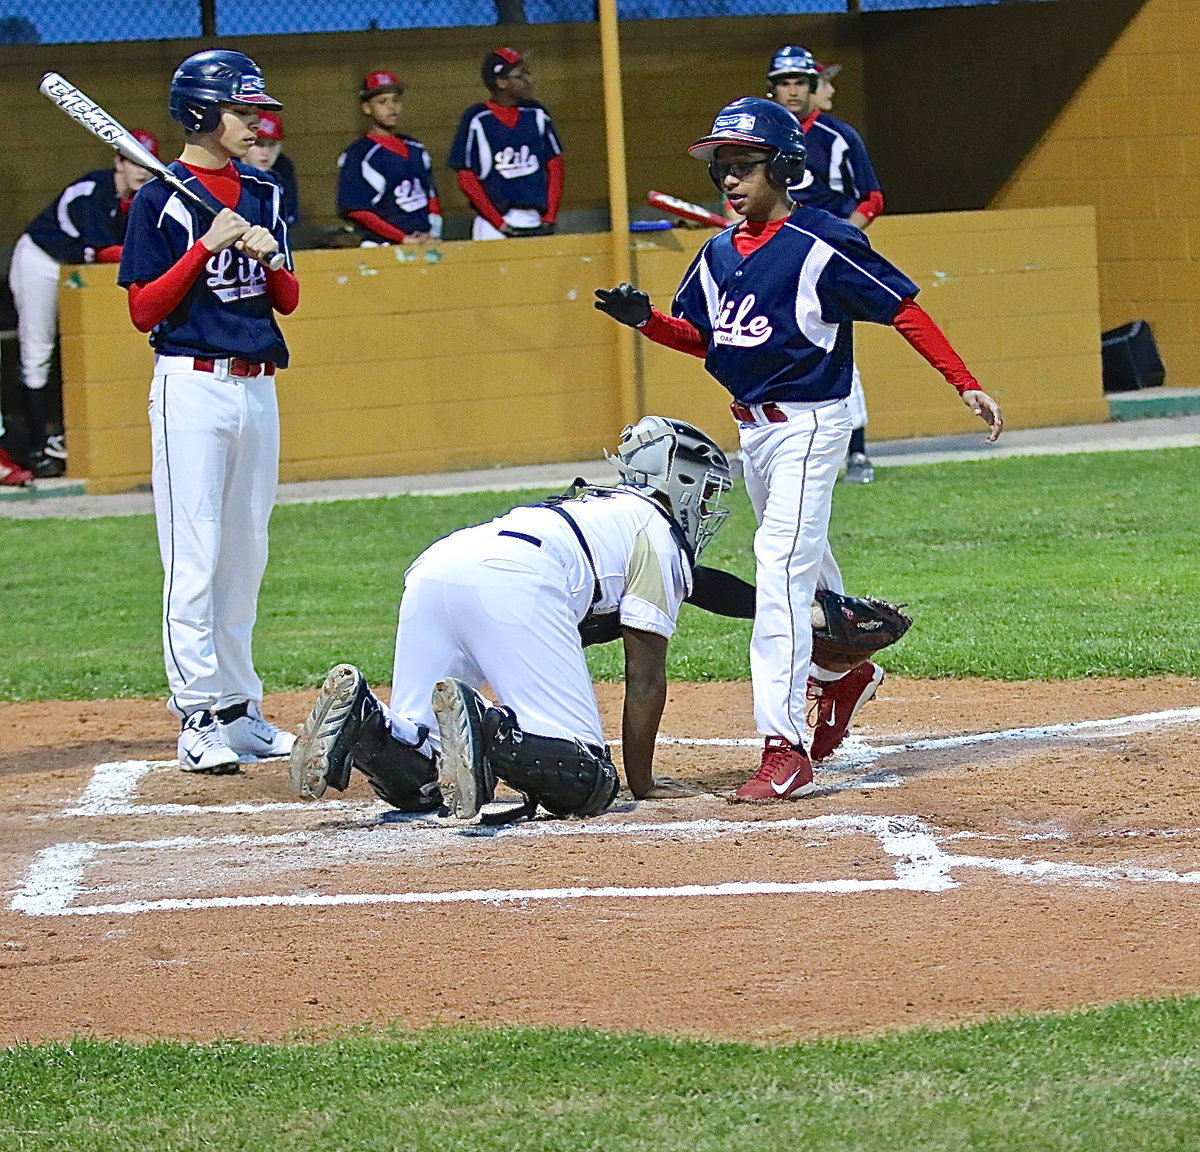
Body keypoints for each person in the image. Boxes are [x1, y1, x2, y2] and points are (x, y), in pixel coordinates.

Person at [594, 98, 1003, 802]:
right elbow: (705, 341)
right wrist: (648, 322)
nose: (728, 179)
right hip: (751, 431)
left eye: (744, 165)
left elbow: (901, 305)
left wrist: (963, 382)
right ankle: (845, 676)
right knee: (805, 575)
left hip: (812, 424)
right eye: (722, 167)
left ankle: (784, 747)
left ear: (784, 166)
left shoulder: (824, 240)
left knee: (778, 572)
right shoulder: (718, 252)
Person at [289, 416, 732, 821]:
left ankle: (368, 722)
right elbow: (645, 678)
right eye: (707, 491)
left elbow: (711, 589)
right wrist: (644, 782)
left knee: (425, 778)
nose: (709, 506)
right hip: (516, 577)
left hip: (437, 565)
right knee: (587, 782)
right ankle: (487, 725)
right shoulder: (658, 533)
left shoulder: (603, 508)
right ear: (683, 481)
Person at [117, 49, 300, 773]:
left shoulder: (262, 189)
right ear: (200, 113)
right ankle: (197, 714)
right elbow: (143, 309)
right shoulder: (160, 199)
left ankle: (240, 709)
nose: (255, 122)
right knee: (194, 554)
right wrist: (204, 247)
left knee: (245, 553)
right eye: (242, 110)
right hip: (190, 384)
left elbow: (287, 301)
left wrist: (270, 259)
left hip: (258, 384)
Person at [8, 130, 160, 478]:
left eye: (146, 164)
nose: (140, 171)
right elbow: (106, 251)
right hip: (41, 260)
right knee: (38, 349)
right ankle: (37, 447)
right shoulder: (96, 189)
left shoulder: (141, 200)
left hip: (75, 270)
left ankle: (59, 435)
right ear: (118, 162)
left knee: (78, 351)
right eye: (132, 162)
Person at [767, 46, 885, 484]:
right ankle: (772, 444)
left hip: (828, 258)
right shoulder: (761, 138)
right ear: (772, 89)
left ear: (812, 87)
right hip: (775, 260)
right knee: (770, 343)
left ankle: (856, 451)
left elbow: (871, 199)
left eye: (800, 81)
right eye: (784, 82)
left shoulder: (839, 136)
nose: (793, 90)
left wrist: (841, 239)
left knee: (836, 347)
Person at [448, 48, 562, 240]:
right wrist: (498, 222)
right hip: (494, 223)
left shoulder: (536, 113)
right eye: (520, 75)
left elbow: (555, 165)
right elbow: (466, 178)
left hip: (535, 218)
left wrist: (550, 216)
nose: (528, 80)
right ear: (501, 82)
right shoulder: (477, 118)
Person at [337, 70, 441, 245]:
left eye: (395, 100)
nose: (392, 107)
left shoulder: (415, 147)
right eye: (382, 102)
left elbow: (430, 195)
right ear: (367, 107)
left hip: (423, 240)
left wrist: (435, 232)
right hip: (380, 244)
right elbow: (357, 210)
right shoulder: (358, 154)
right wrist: (402, 238)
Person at [245, 111, 300, 228]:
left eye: (272, 144)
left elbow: (289, 215)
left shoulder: (283, 167)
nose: (266, 152)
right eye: (259, 144)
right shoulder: (227, 167)